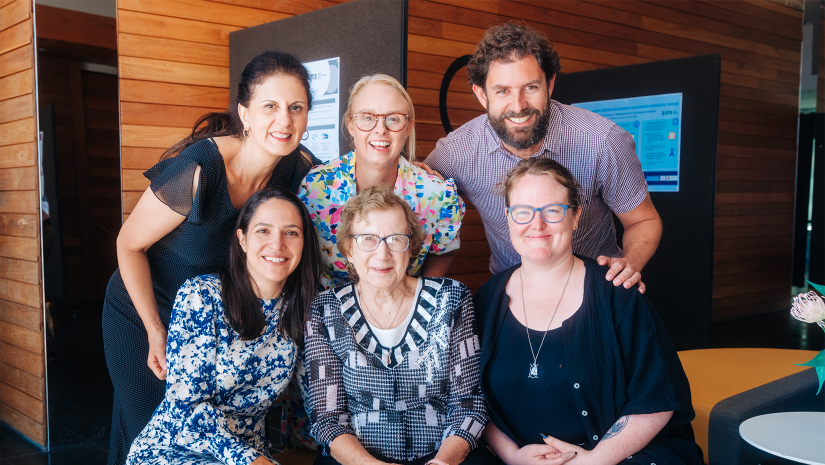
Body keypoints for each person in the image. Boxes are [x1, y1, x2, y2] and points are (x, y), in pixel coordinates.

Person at [102, 51, 317, 465]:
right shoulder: (200, 170)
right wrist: (153, 329)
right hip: (146, 305)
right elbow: (128, 245)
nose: (285, 121)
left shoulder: (298, 168)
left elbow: (344, 196)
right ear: (245, 113)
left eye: (296, 108)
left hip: (209, 314)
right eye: (270, 106)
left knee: (209, 435)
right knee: (153, 428)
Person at [473, 158, 702, 465]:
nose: (536, 225)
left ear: (575, 216)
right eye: (523, 212)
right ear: (509, 218)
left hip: (617, 457)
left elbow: (657, 399)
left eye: (552, 211)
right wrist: (512, 456)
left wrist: (593, 461)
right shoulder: (486, 300)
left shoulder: (616, 292)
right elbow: (469, 397)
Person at [424, 22, 661, 293]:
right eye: (502, 91)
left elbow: (643, 220)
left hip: (595, 291)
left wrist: (629, 263)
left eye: (531, 87)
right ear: (481, 94)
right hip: (512, 296)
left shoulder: (602, 141)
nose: (518, 106)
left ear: (549, 83)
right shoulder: (455, 153)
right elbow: (415, 205)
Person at [126, 188, 322, 465]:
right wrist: (251, 460)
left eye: (291, 233)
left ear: (304, 242)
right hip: (175, 447)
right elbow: (186, 407)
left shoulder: (303, 306)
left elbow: (316, 393)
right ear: (242, 239)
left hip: (251, 452)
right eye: (263, 231)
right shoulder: (202, 296)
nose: (277, 244)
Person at [305, 186, 494, 465]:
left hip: (443, 453)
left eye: (395, 239)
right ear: (348, 249)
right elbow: (327, 418)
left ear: (411, 247)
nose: (382, 253)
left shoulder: (452, 298)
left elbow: (469, 405)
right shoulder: (324, 309)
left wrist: (443, 462)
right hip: (360, 458)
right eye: (367, 239)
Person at [299, 74, 464, 289]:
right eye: (368, 117)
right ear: (351, 124)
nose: (380, 129)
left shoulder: (438, 196)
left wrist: (418, 299)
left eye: (393, 118)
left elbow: (443, 251)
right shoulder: (314, 188)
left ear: (408, 127)